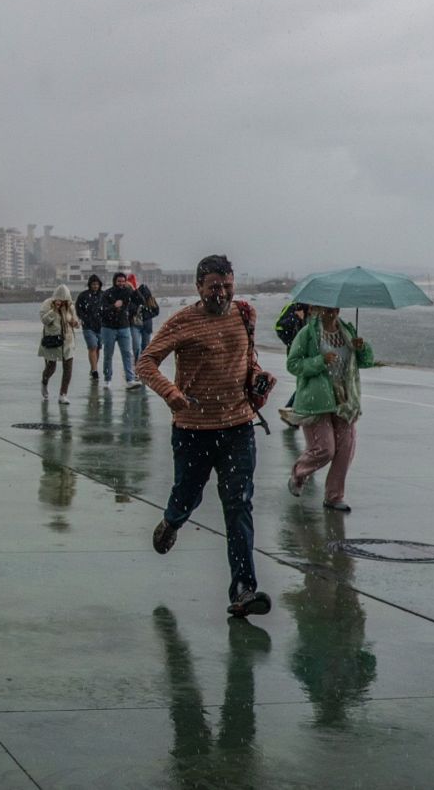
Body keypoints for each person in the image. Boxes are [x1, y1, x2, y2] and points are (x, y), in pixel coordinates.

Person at [137, 254, 272, 619]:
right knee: (187, 497)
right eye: (214, 287)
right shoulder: (183, 321)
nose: (222, 294)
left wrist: (259, 375)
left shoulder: (245, 314)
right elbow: (145, 362)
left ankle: (243, 589)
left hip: (239, 428)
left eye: (227, 286)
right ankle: (171, 521)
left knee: (238, 504)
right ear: (198, 287)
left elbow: (248, 359)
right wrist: (171, 393)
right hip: (193, 431)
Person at [284, 305, 374, 512]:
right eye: (326, 310)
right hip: (316, 400)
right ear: (316, 310)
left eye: (335, 309)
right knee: (324, 449)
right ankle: (299, 472)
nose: (331, 313)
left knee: (345, 449)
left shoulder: (348, 332)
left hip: (344, 398)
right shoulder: (308, 334)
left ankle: (334, 496)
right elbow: (293, 364)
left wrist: (363, 349)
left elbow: (366, 362)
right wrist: (320, 361)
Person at [39, 284, 81, 404]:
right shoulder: (47, 304)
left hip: (67, 341)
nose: (62, 302)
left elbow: (76, 322)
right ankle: (44, 381)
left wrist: (75, 323)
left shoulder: (70, 306)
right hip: (52, 340)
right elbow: (44, 320)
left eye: (64, 300)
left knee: (68, 369)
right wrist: (54, 310)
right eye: (60, 300)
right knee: (51, 367)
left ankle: (63, 394)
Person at [100, 272, 142, 390]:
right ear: (114, 281)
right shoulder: (107, 294)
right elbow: (102, 310)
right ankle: (107, 379)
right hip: (108, 328)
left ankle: (130, 379)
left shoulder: (128, 292)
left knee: (127, 354)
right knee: (108, 354)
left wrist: (134, 289)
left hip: (124, 327)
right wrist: (114, 306)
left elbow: (140, 300)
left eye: (123, 281)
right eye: (119, 281)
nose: (121, 284)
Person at [274, 302, 310, 421]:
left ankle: (291, 412)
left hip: (314, 353)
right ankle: (291, 412)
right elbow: (279, 326)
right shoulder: (294, 306)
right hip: (299, 354)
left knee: (307, 383)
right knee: (307, 383)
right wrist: (296, 318)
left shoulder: (320, 307)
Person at [75, 274, 104, 381]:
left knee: (98, 348)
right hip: (88, 326)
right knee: (92, 347)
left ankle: (93, 367)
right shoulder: (83, 295)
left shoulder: (103, 295)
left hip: (101, 326)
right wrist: (83, 318)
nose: (95, 286)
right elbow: (78, 308)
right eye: (93, 284)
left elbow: (108, 308)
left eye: (97, 284)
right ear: (90, 285)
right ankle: (95, 371)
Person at [135, 281, 160, 357]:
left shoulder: (149, 300)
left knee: (141, 346)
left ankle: (140, 362)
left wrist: (146, 315)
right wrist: (149, 315)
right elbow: (156, 311)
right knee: (143, 346)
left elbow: (156, 311)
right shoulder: (151, 300)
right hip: (145, 325)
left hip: (143, 325)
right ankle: (142, 361)